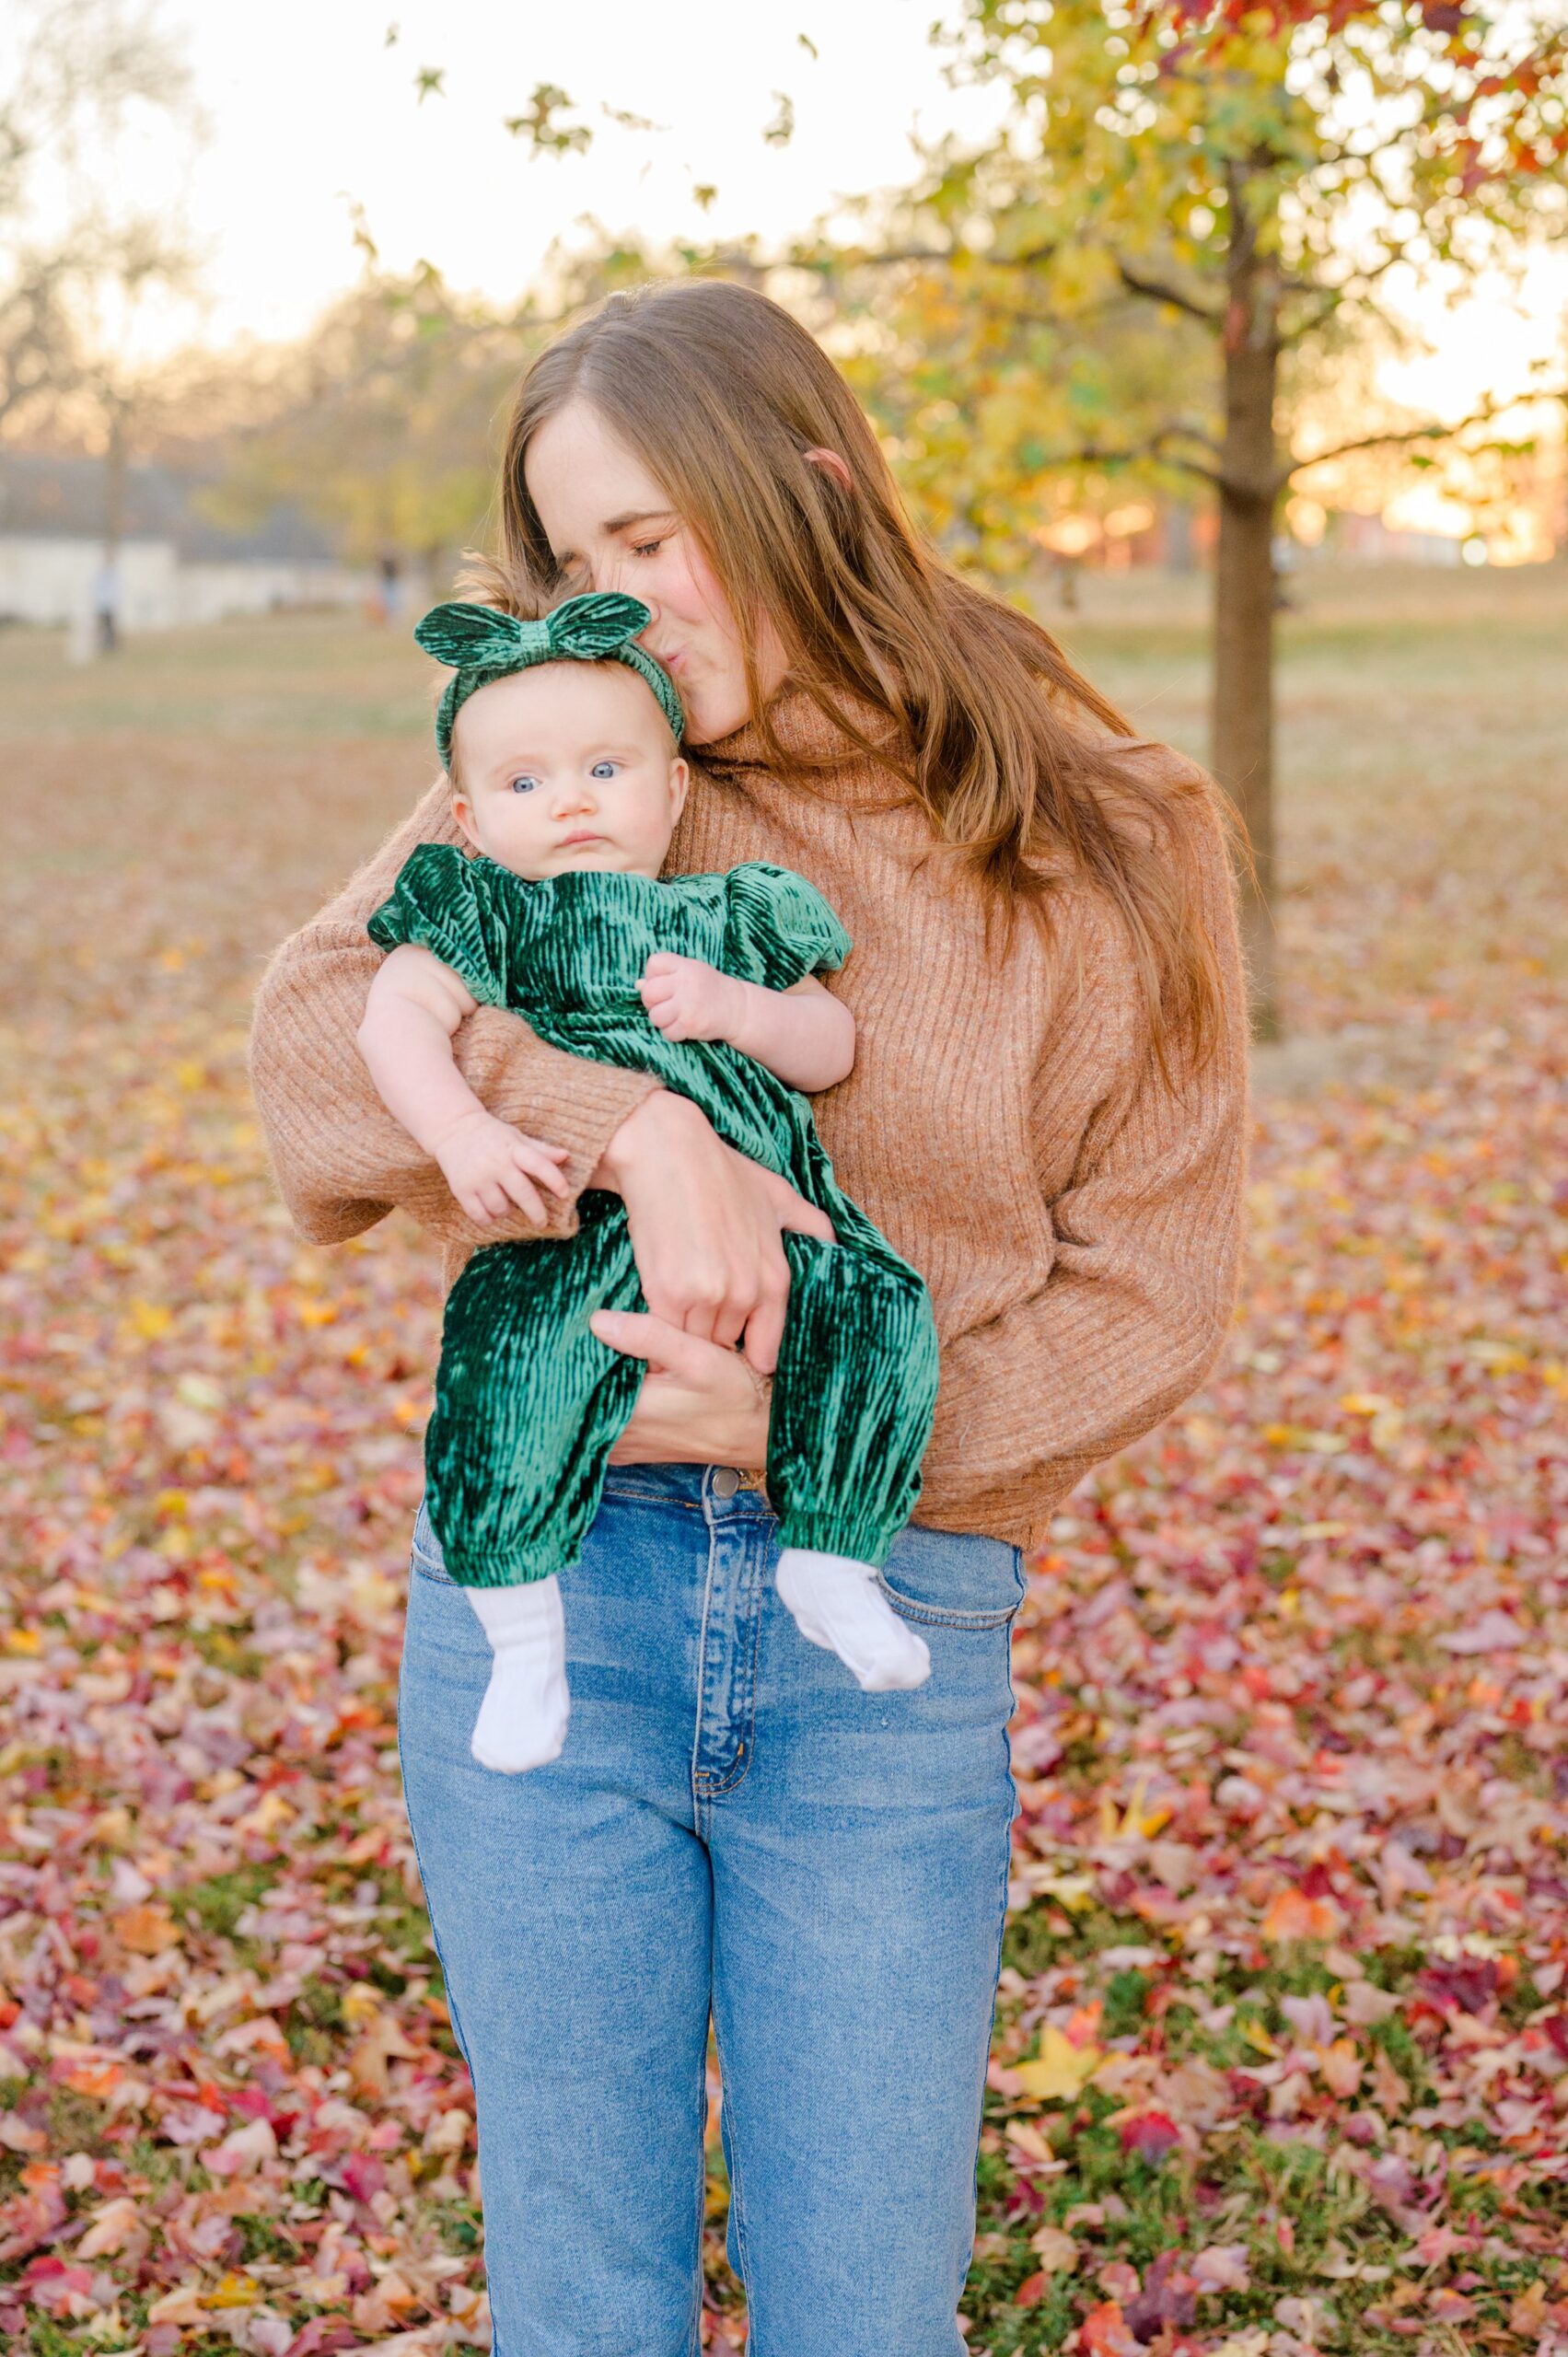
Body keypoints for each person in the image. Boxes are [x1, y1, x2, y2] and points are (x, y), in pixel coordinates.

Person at [249, 279, 1250, 2357]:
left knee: (868, 2310)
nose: (602, 600)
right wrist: (631, 1128)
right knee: (585, 2299)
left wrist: (807, 1418)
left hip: (887, 1628)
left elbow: (1153, 1300)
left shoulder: (1118, 839)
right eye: (564, 555)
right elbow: (318, 1038)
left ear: (805, 490)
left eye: (645, 543)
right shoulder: (582, 771)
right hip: (553, 1591)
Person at [356, 587, 938, 1774]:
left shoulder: (733, 912)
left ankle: (834, 1555)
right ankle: (522, 1637)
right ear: (466, 822)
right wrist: (466, 1132)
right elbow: (390, 1023)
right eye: (524, 785)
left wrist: (741, 1010)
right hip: (571, 1229)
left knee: (881, 1313)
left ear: (673, 787)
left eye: (606, 768)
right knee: (506, 1375)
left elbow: (832, 1043)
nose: (568, 800)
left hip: (779, 1225)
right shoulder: (488, 915)